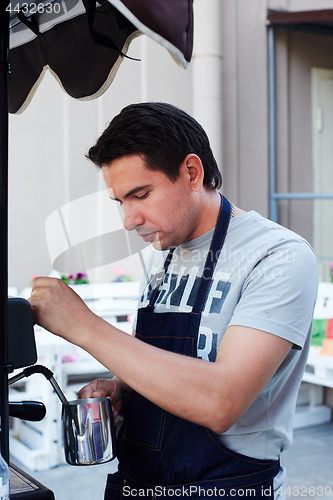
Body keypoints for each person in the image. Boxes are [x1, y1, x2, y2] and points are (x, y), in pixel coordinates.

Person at [29, 102, 318, 500]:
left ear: (192, 173)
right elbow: (154, 360)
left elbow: (222, 400)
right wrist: (121, 390)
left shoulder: (278, 255)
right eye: (121, 202)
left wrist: (84, 326)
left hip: (229, 489)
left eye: (141, 194)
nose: (129, 220)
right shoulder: (163, 253)